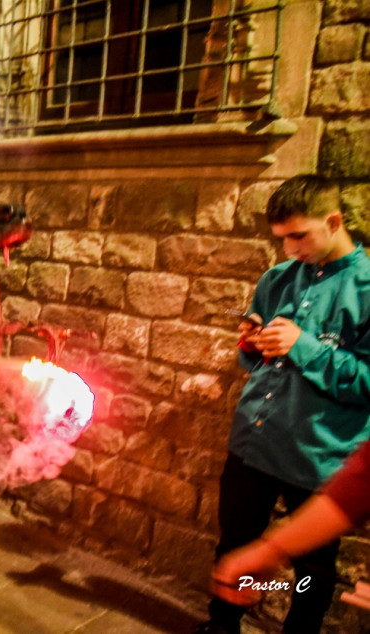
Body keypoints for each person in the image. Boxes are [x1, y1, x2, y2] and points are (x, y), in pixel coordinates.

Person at [195, 175, 370, 634]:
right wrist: (251, 345)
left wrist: (303, 346)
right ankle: (223, 625)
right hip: (254, 442)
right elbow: (254, 364)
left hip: (320, 455)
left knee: (312, 572)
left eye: (299, 235)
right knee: (236, 543)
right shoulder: (276, 279)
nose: (290, 249)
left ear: (334, 222)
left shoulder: (368, 291)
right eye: (282, 239)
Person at [211, 438, 370, 599]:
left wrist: (269, 551)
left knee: (315, 569)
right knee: (235, 537)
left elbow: (362, 481)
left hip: (322, 456)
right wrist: (269, 552)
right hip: (259, 443)